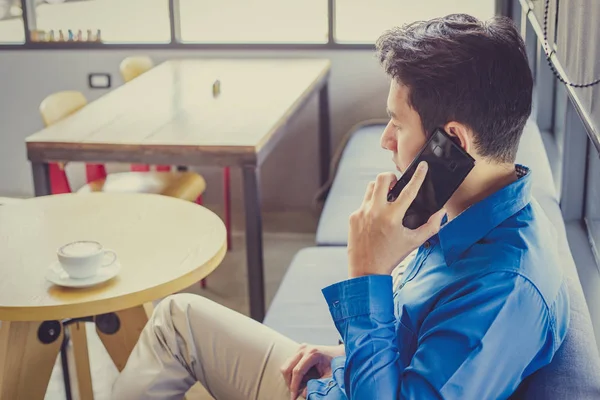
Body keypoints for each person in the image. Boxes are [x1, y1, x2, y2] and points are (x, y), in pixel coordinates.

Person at [113, 13, 569, 400]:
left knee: (174, 325)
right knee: (178, 318)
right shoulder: (472, 210)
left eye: (396, 122)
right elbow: (414, 350)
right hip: (340, 382)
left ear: (452, 141)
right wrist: (345, 356)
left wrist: (367, 271)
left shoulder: (505, 288)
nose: (386, 140)